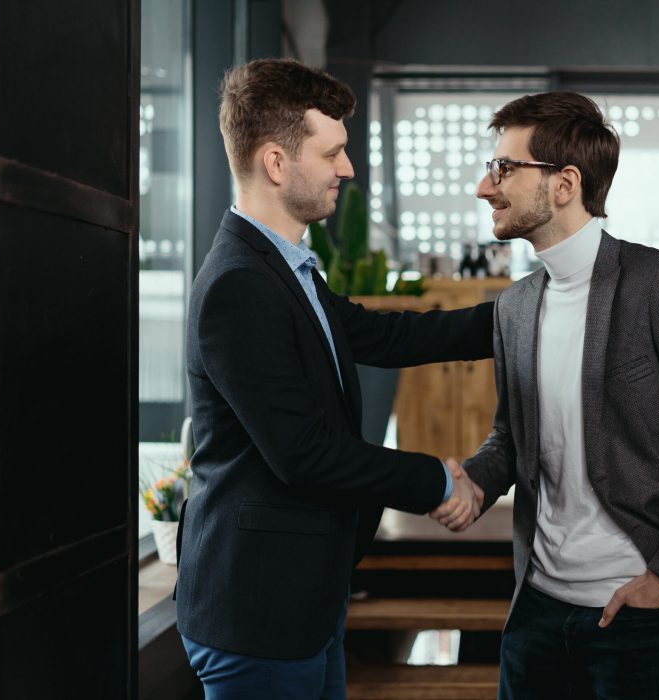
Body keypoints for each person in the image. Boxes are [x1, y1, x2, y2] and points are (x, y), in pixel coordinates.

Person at [431, 91, 659, 699]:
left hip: (635, 616)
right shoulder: (514, 307)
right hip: (536, 611)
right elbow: (512, 438)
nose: (485, 188)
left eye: (503, 169)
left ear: (565, 183)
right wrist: (477, 481)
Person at [175, 58, 486, 700]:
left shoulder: (287, 270)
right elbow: (304, 454)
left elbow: (391, 335)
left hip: (302, 602)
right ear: (276, 163)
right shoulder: (240, 286)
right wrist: (435, 479)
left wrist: (518, 315)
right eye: (334, 151)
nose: (347, 168)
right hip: (259, 612)